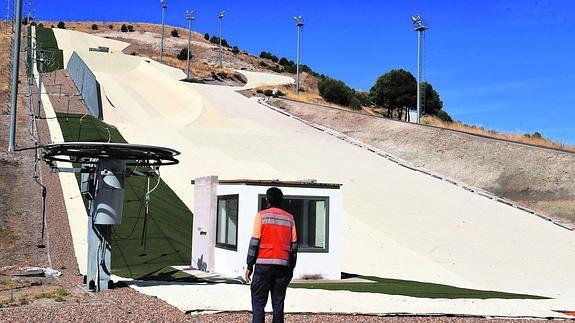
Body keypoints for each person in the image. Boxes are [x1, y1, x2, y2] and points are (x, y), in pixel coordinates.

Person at [244, 187, 297, 323]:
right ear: (281, 201)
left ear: (267, 200)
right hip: (282, 267)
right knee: (278, 305)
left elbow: (254, 243)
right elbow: (294, 247)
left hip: (263, 266)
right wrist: (291, 269)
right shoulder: (290, 219)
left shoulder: (261, 216)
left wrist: (249, 265)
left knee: (258, 304)